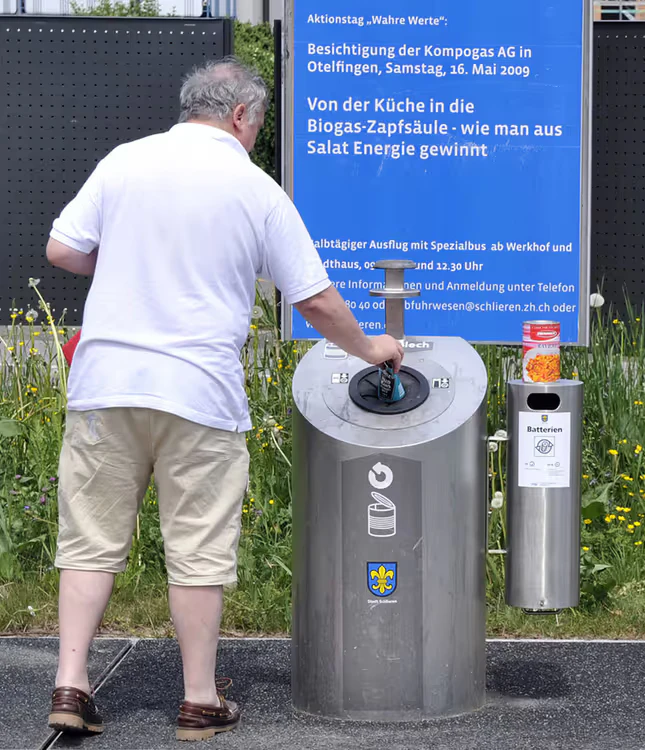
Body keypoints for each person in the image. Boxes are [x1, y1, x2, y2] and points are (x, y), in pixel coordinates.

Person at [41, 57, 402, 741]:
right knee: (198, 547)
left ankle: (71, 683)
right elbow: (314, 299)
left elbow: (62, 249)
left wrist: (124, 260)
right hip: (197, 393)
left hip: (106, 384)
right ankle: (200, 701)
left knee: (88, 540)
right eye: (257, 126)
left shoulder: (124, 162)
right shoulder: (253, 187)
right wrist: (373, 349)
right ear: (241, 116)